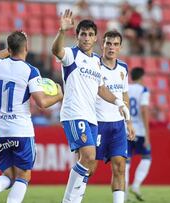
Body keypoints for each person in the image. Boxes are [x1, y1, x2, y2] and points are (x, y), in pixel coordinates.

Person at [52, 9, 132, 203]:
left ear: (95, 38)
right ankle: (69, 201)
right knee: (88, 157)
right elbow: (56, 51)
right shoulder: (71, 55)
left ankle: (74, 199)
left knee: (89, 162)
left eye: (90, 34)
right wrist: (62, 31)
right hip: (74, 113)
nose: (86, 38)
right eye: (83, 34)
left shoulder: (97, 61)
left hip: (91, 117)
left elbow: (101, 88)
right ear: (77, 36)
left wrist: (119, 101)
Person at [0, 31, 63, 203]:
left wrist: (10, 48)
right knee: (24, 175)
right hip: (21, 131)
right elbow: (42, 103)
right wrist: (59, 96)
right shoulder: (30, 71)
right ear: (27, 48)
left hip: (0, 131)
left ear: (8, 48)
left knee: (8, 175)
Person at [95, 30, 135, 203]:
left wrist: (129, 122)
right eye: (108, 43)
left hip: (118, 125)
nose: (112, 47)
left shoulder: (123, 68)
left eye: (115, 44)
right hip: (97, 123)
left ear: (120, 47)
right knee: (89, 168)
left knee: (119, 167)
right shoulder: (94, 65)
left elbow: (125, 96)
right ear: (102, 44)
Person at [126, 67, 151, 201]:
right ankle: (135, 185)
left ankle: (123, 194)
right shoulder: (144, 90)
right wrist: (147, 133)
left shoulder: (126, 88)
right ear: (142, 77)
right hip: (140, 130)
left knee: (126, 161)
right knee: (147, 157)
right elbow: (144, 110)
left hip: (126, 128)